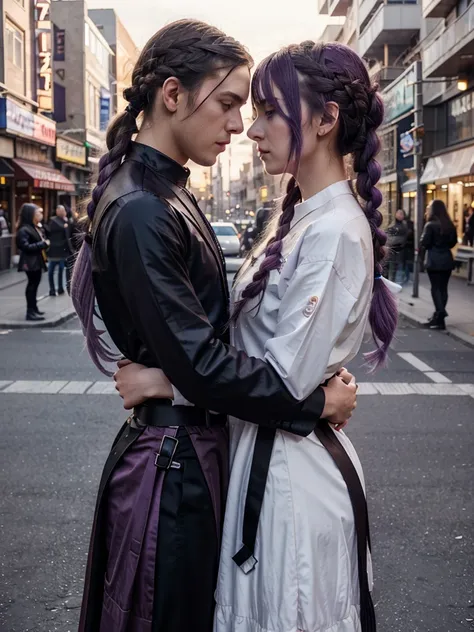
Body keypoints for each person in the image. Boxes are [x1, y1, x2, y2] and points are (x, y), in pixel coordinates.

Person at [70, 20, 357, 632]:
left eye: (249, 108)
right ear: (173, 95)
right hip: (174, 466)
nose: (238, 124)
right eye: (228, 103)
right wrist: (312, 403)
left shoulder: (168, 191)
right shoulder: (145, 207)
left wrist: (163, 380)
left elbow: (202, 351)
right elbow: (201, 362)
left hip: (191, 452)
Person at [420, 199, 458, 330]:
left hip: (434, 260)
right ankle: (439, 318)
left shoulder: (430, 225)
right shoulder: (449, 225)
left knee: (435, 288)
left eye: (429, 207)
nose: (428, 209)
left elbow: (425, 242)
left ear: (434, 210)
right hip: (447, 259)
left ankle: (440, 314)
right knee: (443, 288)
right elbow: (453, 243)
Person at [16, 203, 49, 321]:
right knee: (32, 285)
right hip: (30, 262)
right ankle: (30, 312)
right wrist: (43, 244)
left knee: (35, 285)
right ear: (31, 215)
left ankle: (34, 308)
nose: (40, 214)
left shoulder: (34, 227)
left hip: (37, 260)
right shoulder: (24, 230)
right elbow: (25, 247)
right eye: (38, 213)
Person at [47, 204, 70, 296]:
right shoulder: (53, 221)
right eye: (61, 210)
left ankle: (60, 288)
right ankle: (52, 289)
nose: (63, 212)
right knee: (52, 271)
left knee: (60, 270)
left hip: (61, 251)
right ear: (57, 211)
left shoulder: (65, 221)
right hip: (54, 250)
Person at [385, 209, 408, 283]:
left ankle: (397, 281)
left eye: (401, 214)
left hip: (400, 250)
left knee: (399, 266)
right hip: (392, 249)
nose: (399, 215)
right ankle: (391, 281)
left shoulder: (405, 226)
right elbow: (388, 235)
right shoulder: (391, 225)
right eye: (398, 213)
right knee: (392, 266)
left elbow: (404, 237)